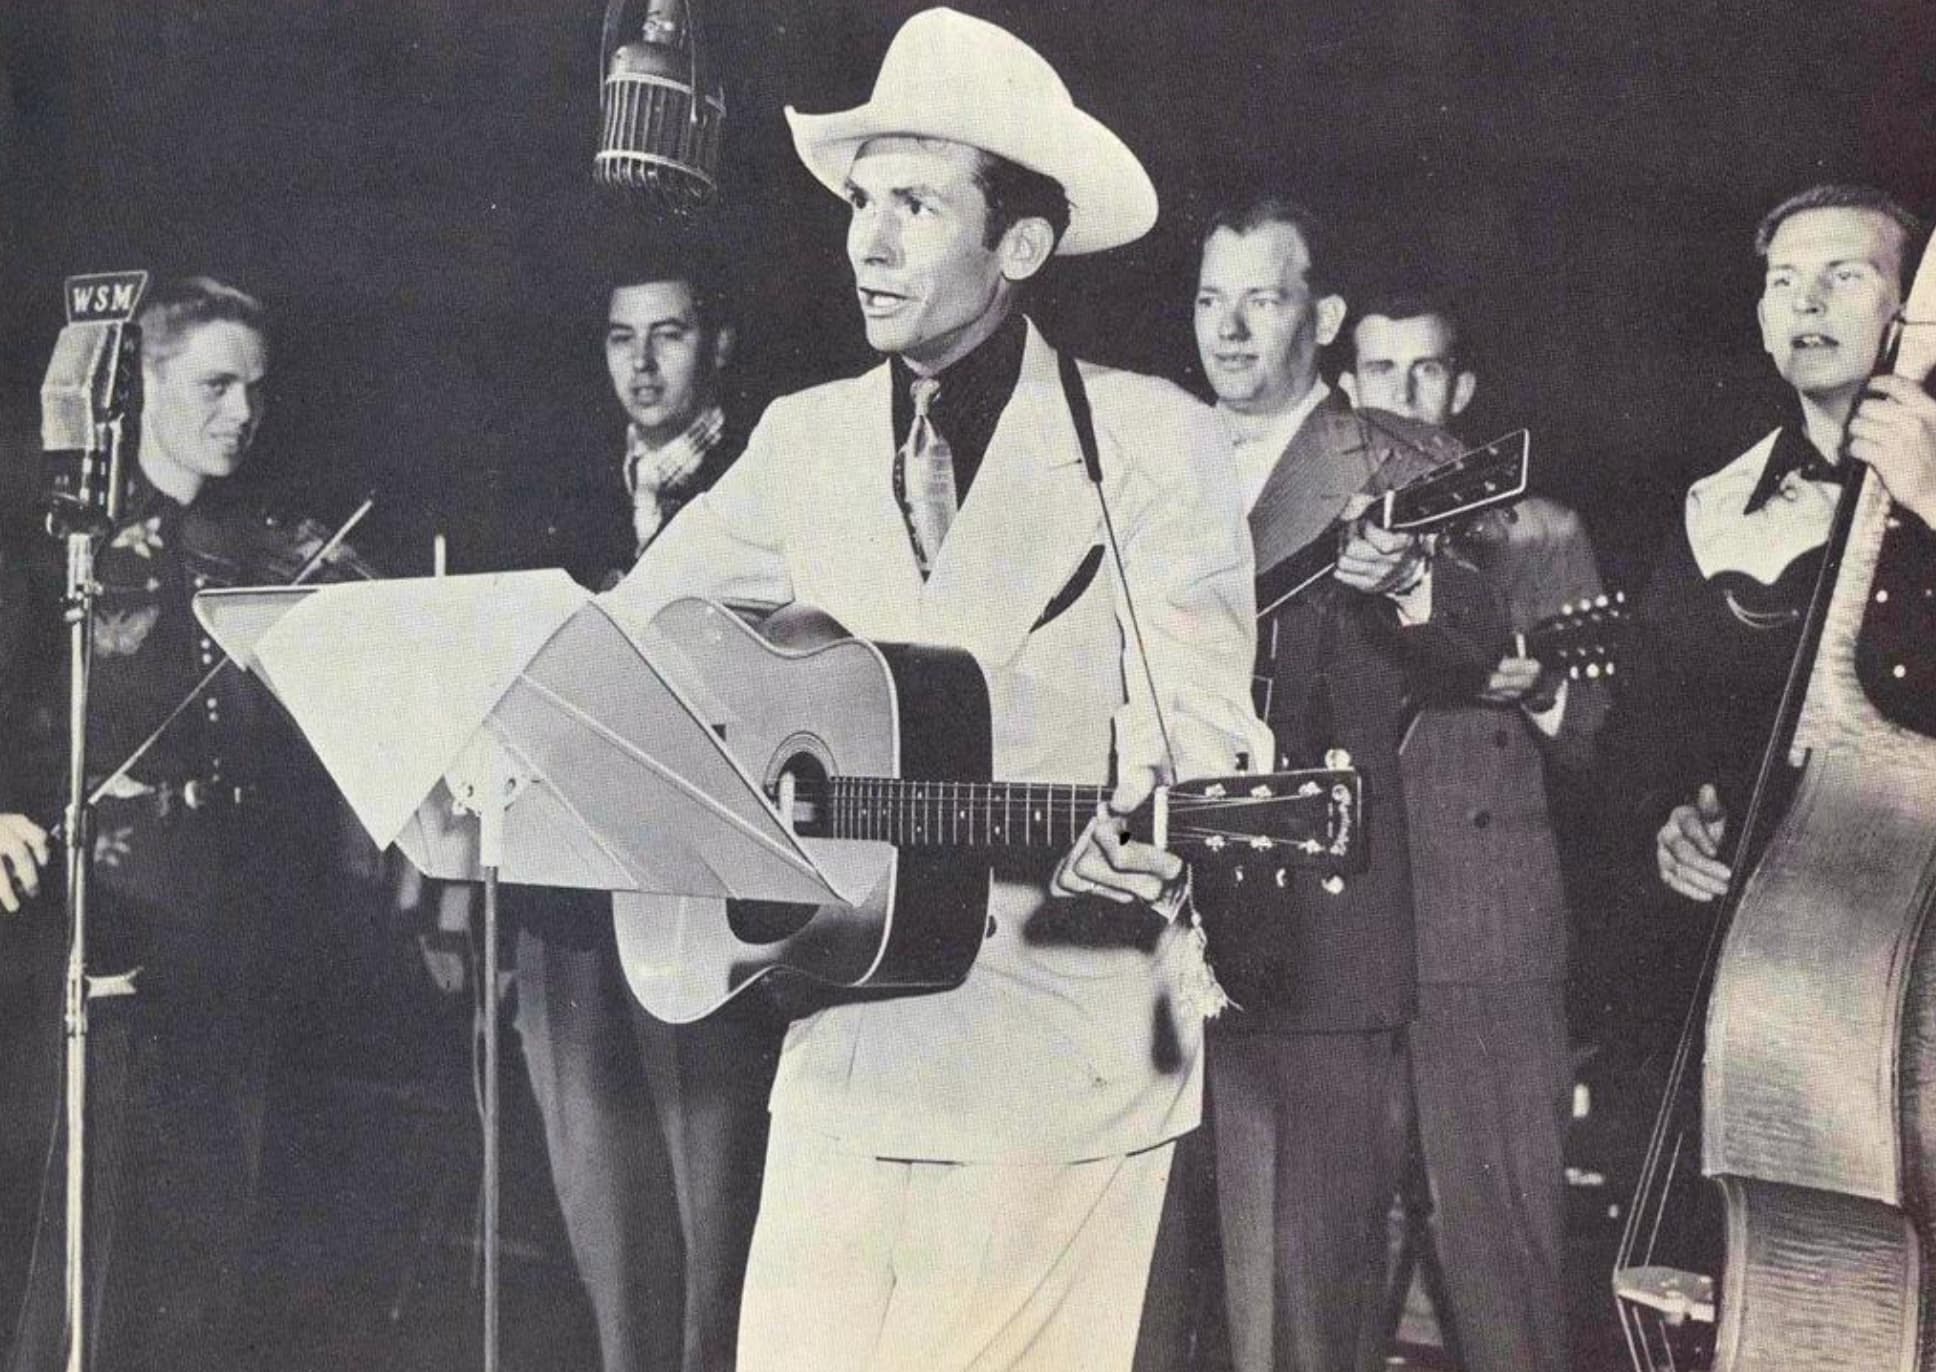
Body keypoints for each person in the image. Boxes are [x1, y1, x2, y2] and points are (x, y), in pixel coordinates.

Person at [600, 10, 1270, 1369]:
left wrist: (1149, 827)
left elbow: (1210, 741)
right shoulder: (803, 440)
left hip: (1060, 1069)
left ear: (1019, 246)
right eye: (860, 200)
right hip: (845, 1054)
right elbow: (627, 651)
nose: (868, 238)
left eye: (916, 201)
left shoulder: (1153, 441)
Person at [1, 276, 371, 1371]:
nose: (241, 413)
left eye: (254, 390)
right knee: (85, 1233)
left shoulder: (263, 541)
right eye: (214, 385)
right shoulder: (59, 543)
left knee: (210, 1240)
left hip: (230, 923)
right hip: (95, 920)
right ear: (145, 382)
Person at [1188, 199, 1507, 1372]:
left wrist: (1414, 580)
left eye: (1260, 299)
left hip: (1310, 937)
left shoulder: (1396, 460)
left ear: (1321, 318)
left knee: (1294, 1315)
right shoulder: (1145, 451)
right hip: (1137, 922)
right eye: (1209, 298)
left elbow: (1478, 631)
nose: (1227, 329)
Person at [503, 237, 777, 1372]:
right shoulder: (557, 488)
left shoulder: (762, 484)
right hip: (569, 903)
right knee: (604, 1230)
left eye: (668, 333)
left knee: (718, 1234)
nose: (644, 363)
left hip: (701, 904)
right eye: (622, 338)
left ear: (715, 342)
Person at [1342, 289, 1608, 1372]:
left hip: (1486, 927)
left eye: (1425, 372)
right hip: (1339, 923)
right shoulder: (1312, 537)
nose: (1403, 395)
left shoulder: (1541, 534)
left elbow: (1592, 731)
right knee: (1340, 1244)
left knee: (1501, 1241)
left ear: (1461, 389)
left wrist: (1539, 688)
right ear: (1346, 391)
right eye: (1379, 372)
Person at [1617, 185, 1936, 905]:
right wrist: (1669, 814)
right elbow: (1648, 718)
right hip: (1783, 928)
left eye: (1845, 274)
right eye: (1783, 283)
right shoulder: (1719, 503)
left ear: (1911, 315)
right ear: (1763, 324)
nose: (1808, 302)